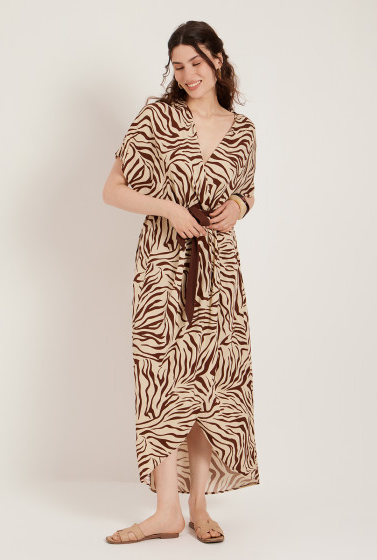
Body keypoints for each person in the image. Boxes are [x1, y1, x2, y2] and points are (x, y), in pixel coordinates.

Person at [102, 20, 259, 545]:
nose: (188, 74)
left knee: (208, 382)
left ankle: (198, 505)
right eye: (178, 66)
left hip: (218, 269)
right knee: (165, 380)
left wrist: (239, 207)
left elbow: (246, 191)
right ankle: (165, 510)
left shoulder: (243, 130)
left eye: (196, 62)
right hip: (163, 267)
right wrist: (169, 208)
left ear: (217, 59)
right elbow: (112, 189)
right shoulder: (157, 117)